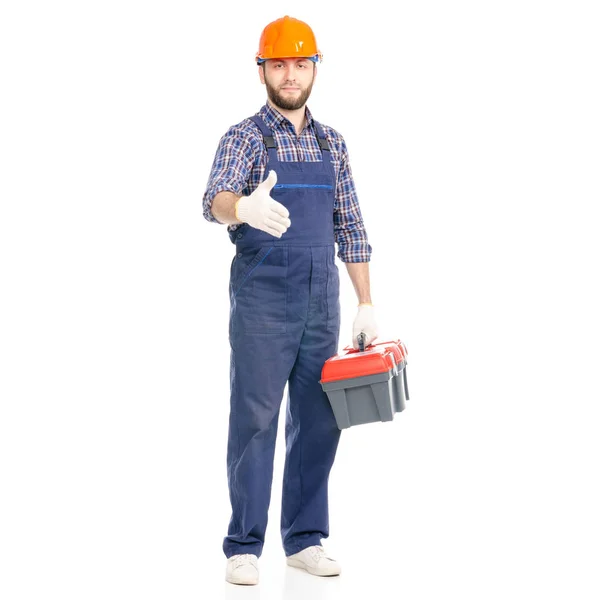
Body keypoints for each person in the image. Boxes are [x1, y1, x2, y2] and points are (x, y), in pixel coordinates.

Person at [202, 15, 379, 586]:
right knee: (254, 419)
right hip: (263, 300)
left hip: (320, 301)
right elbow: (215, 199)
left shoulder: (334, 143)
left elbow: (350, 226)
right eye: (278, 63)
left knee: (318, 418)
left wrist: (366, 303)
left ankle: (304, 540)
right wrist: (243, 209)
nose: (290, 74)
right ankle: (244, 546)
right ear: (262, 71)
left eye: (300, 63)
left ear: (314, 69)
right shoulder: (244, 137)